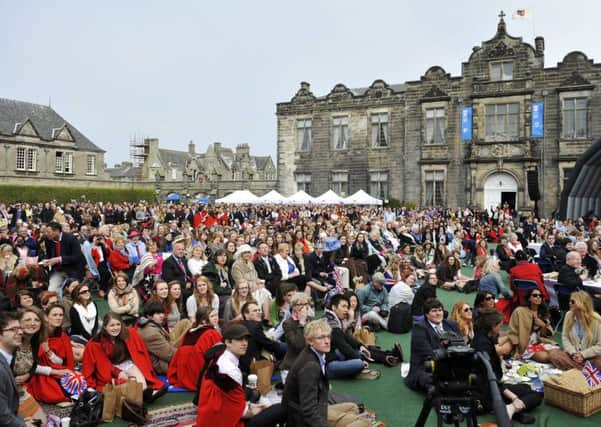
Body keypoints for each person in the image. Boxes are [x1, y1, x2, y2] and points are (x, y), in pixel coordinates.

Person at [196, 323, 285, 427]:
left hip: (215, 415)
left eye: (246, 340)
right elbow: (238, 411)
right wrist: (252, 410)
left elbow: (231, 401)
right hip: (227, 421)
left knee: (254, 392)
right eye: (240, 340)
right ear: (228, 342)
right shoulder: (230, 370)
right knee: (280, 409)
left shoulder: (220, 358)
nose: (244, 343)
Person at [471, 309, 542, 424]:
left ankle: (510, 408)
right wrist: (514, 398)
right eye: (500, 325)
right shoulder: (483, 346)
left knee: (526, 388)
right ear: (493, 326)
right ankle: (510, 409)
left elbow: (497, 341)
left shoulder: (482, 335)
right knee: (536, 395)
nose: (500, 327)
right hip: (488, 391)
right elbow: (491, 379)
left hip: (486, 386)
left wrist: (511, 336)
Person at [82, 312, 167, 401]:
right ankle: (139, 396)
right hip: (111, 368)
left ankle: (146, 395)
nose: (115, 328)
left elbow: (138, 352)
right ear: (105, 327)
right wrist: (118, 372)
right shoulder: (97, 342)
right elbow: (102, 364)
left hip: (125, 363)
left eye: (118, 324)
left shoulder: (127, 334)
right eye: (112, 325)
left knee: (142, 383)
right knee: (125, 380)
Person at [507, 288, 576, 370]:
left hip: (539, 342)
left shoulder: (542, 312)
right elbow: (513, 332)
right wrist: (517, 350)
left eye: (540, 296)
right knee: (548, 357)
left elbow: (549, 334)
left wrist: (543, 325)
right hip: (525, 346)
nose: (538, 297)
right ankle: (574, 369)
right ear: (529, 298)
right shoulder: (519, 311)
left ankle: (575, 368)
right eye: (535, 295)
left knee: (556, 352)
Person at [404, 298, 461, 392]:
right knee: (432, 381)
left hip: (452, 362)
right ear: (426, 314)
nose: (438, 313)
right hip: (427, 365)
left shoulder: (452, 324)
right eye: (434, 311)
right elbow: (428, 353)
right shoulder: (419, 327)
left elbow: (460, 345)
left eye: (440, 310)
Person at [282, 319, 331, 427]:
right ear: (309, 341)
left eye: (328, 336)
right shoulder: (310, 366)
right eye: (321, 337)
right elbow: (308, 411)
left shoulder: (314, 354)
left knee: (351, 407)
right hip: (300, 421)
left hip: (314, 409)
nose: (327, 341)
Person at [27, 304, 76, 403]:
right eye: (54, 315)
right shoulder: (37, 333)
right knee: (54, 394)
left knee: (75, 382)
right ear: (46, 317)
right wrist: (54, 372)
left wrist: (48, 351)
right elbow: (30, 365)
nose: (58, 318)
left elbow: (61, 362)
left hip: (56, 367)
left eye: (60, 315)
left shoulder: (62, 335)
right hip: (37, 371)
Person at [323, 294, 379, 380]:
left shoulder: (332, 318)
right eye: (343, 306)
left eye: (347, 307)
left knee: (359, 351)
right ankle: (352, 373)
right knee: (359, 363)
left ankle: (384, 357)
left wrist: (360, 346)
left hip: (333, 354)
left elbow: (346, 337)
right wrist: (360, 359)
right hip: (328, 364)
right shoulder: (331, 323)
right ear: (334, 307)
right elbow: (343, 345)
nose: (346, 310)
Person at [168, 306, 222, 391]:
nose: (216, 318)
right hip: (197, 373)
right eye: (212, 316)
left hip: (183, 371)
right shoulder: (212, 333)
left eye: (216, 315)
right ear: (204, 320)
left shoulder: (191, 331)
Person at [0, 311, 32, 427]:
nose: (20, 332)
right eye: (13, 329)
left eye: (19, 328)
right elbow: (2, 416)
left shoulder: (7, 358)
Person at [239, 301, 287, 376]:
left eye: (259, 310)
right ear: (246, 314)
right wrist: (286, 347)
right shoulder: (254, 327)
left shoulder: (243, 325)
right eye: (255, 311)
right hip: (252, 364)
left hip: (245, 362)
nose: (259, 312)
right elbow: (269, 344)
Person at [41, 221, 85, 292]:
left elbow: (77, 257)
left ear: (57, 231)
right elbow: (49, 255)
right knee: (51, 291)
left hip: (73, 270)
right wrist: (46, 260)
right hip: (57, 271)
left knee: (75, 292)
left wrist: (59, 259)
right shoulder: (48, 240)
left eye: (48, 232)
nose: (46, 234)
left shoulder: (71, 238)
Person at [562, 291, 601, 367]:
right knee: (553, 353)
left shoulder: (597, 319)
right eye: (569, 301)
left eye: (572, 301)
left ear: (582, 303)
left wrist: (583, 354)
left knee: (598, 362)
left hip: (591, 357)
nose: (569, 303)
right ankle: (580, 368)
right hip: (572, 355)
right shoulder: (568, 315)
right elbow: (565, 337)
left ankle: (577, 368)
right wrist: (573, 352)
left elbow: (600, 346)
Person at [137, 301, 176, 375]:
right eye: (158, 313)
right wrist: (185, 354)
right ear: (149, 316)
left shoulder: (151, 324)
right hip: (163, 366)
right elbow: (169, 354)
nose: (162, 316)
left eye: (162, 313)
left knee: (185, 323)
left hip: (163, 355)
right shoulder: (151, 333)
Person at [280, 292, 313, 372]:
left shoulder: (312, 320)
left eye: (305, 304)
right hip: (292, 365)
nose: (303, 307)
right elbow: (298, 344)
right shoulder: (288, 323)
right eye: (299, 304)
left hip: (310, 363)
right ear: (293, 306)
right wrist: (301, 323)